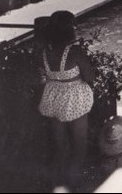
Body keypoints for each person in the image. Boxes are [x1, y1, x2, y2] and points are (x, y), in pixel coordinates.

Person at [38, 10, 95, 189]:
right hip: (74, 99)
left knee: (60, 146)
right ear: (69, 29)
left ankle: (57, 184)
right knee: (79, 145)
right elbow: (89, 75)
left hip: (53, 97)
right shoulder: (75, 51)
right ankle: (74, 184)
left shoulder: (44, 52)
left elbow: (42, 74)